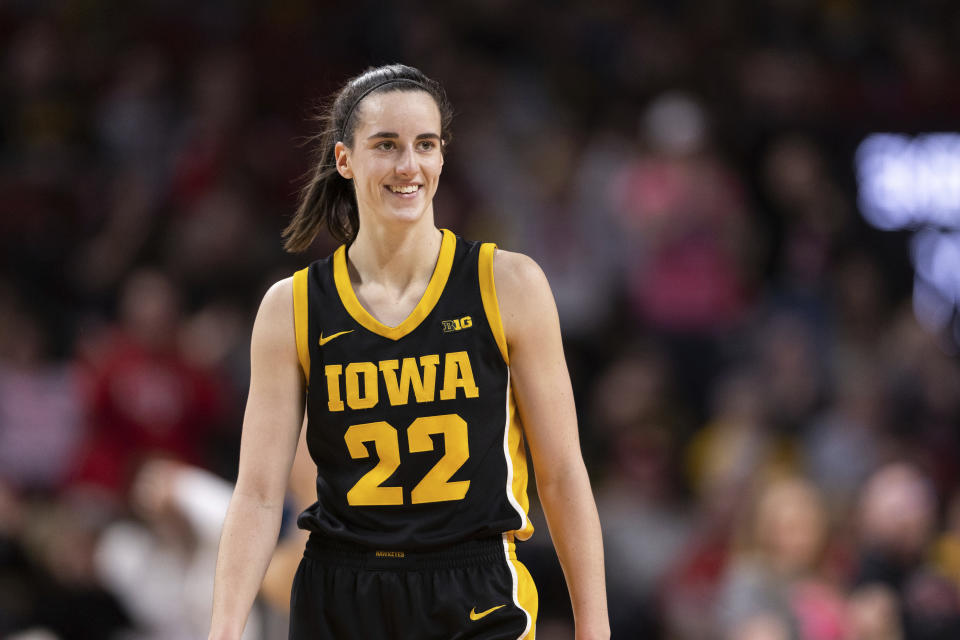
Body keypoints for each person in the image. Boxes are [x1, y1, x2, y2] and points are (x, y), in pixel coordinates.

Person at [208, 63, 609, 640]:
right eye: (387, 145)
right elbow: (259, 492)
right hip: (339, 591)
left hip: (475, 585)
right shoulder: (290, 307)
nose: (408, 165)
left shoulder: (509, 284)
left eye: (425, 144)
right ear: (345, 159)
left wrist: (593, 625)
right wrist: (223, 630)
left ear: (443, 156)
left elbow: (564, 472)